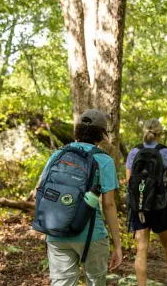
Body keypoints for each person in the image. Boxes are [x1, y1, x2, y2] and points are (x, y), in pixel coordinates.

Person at [33, 109, 122, 286]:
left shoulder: (58, 154)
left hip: (56, 232)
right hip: (91, 235)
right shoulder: (104, 160)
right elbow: (109, 205)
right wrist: (118, 245)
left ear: (77, 131)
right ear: (102, 134)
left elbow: (38, 191)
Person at [126, 118, 167, 286]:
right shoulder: (166, 153)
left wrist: (132, 205)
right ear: (160, 134)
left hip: (139, 206)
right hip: (160, 204)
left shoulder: (133, 152)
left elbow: (130, 182)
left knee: (141, 248)